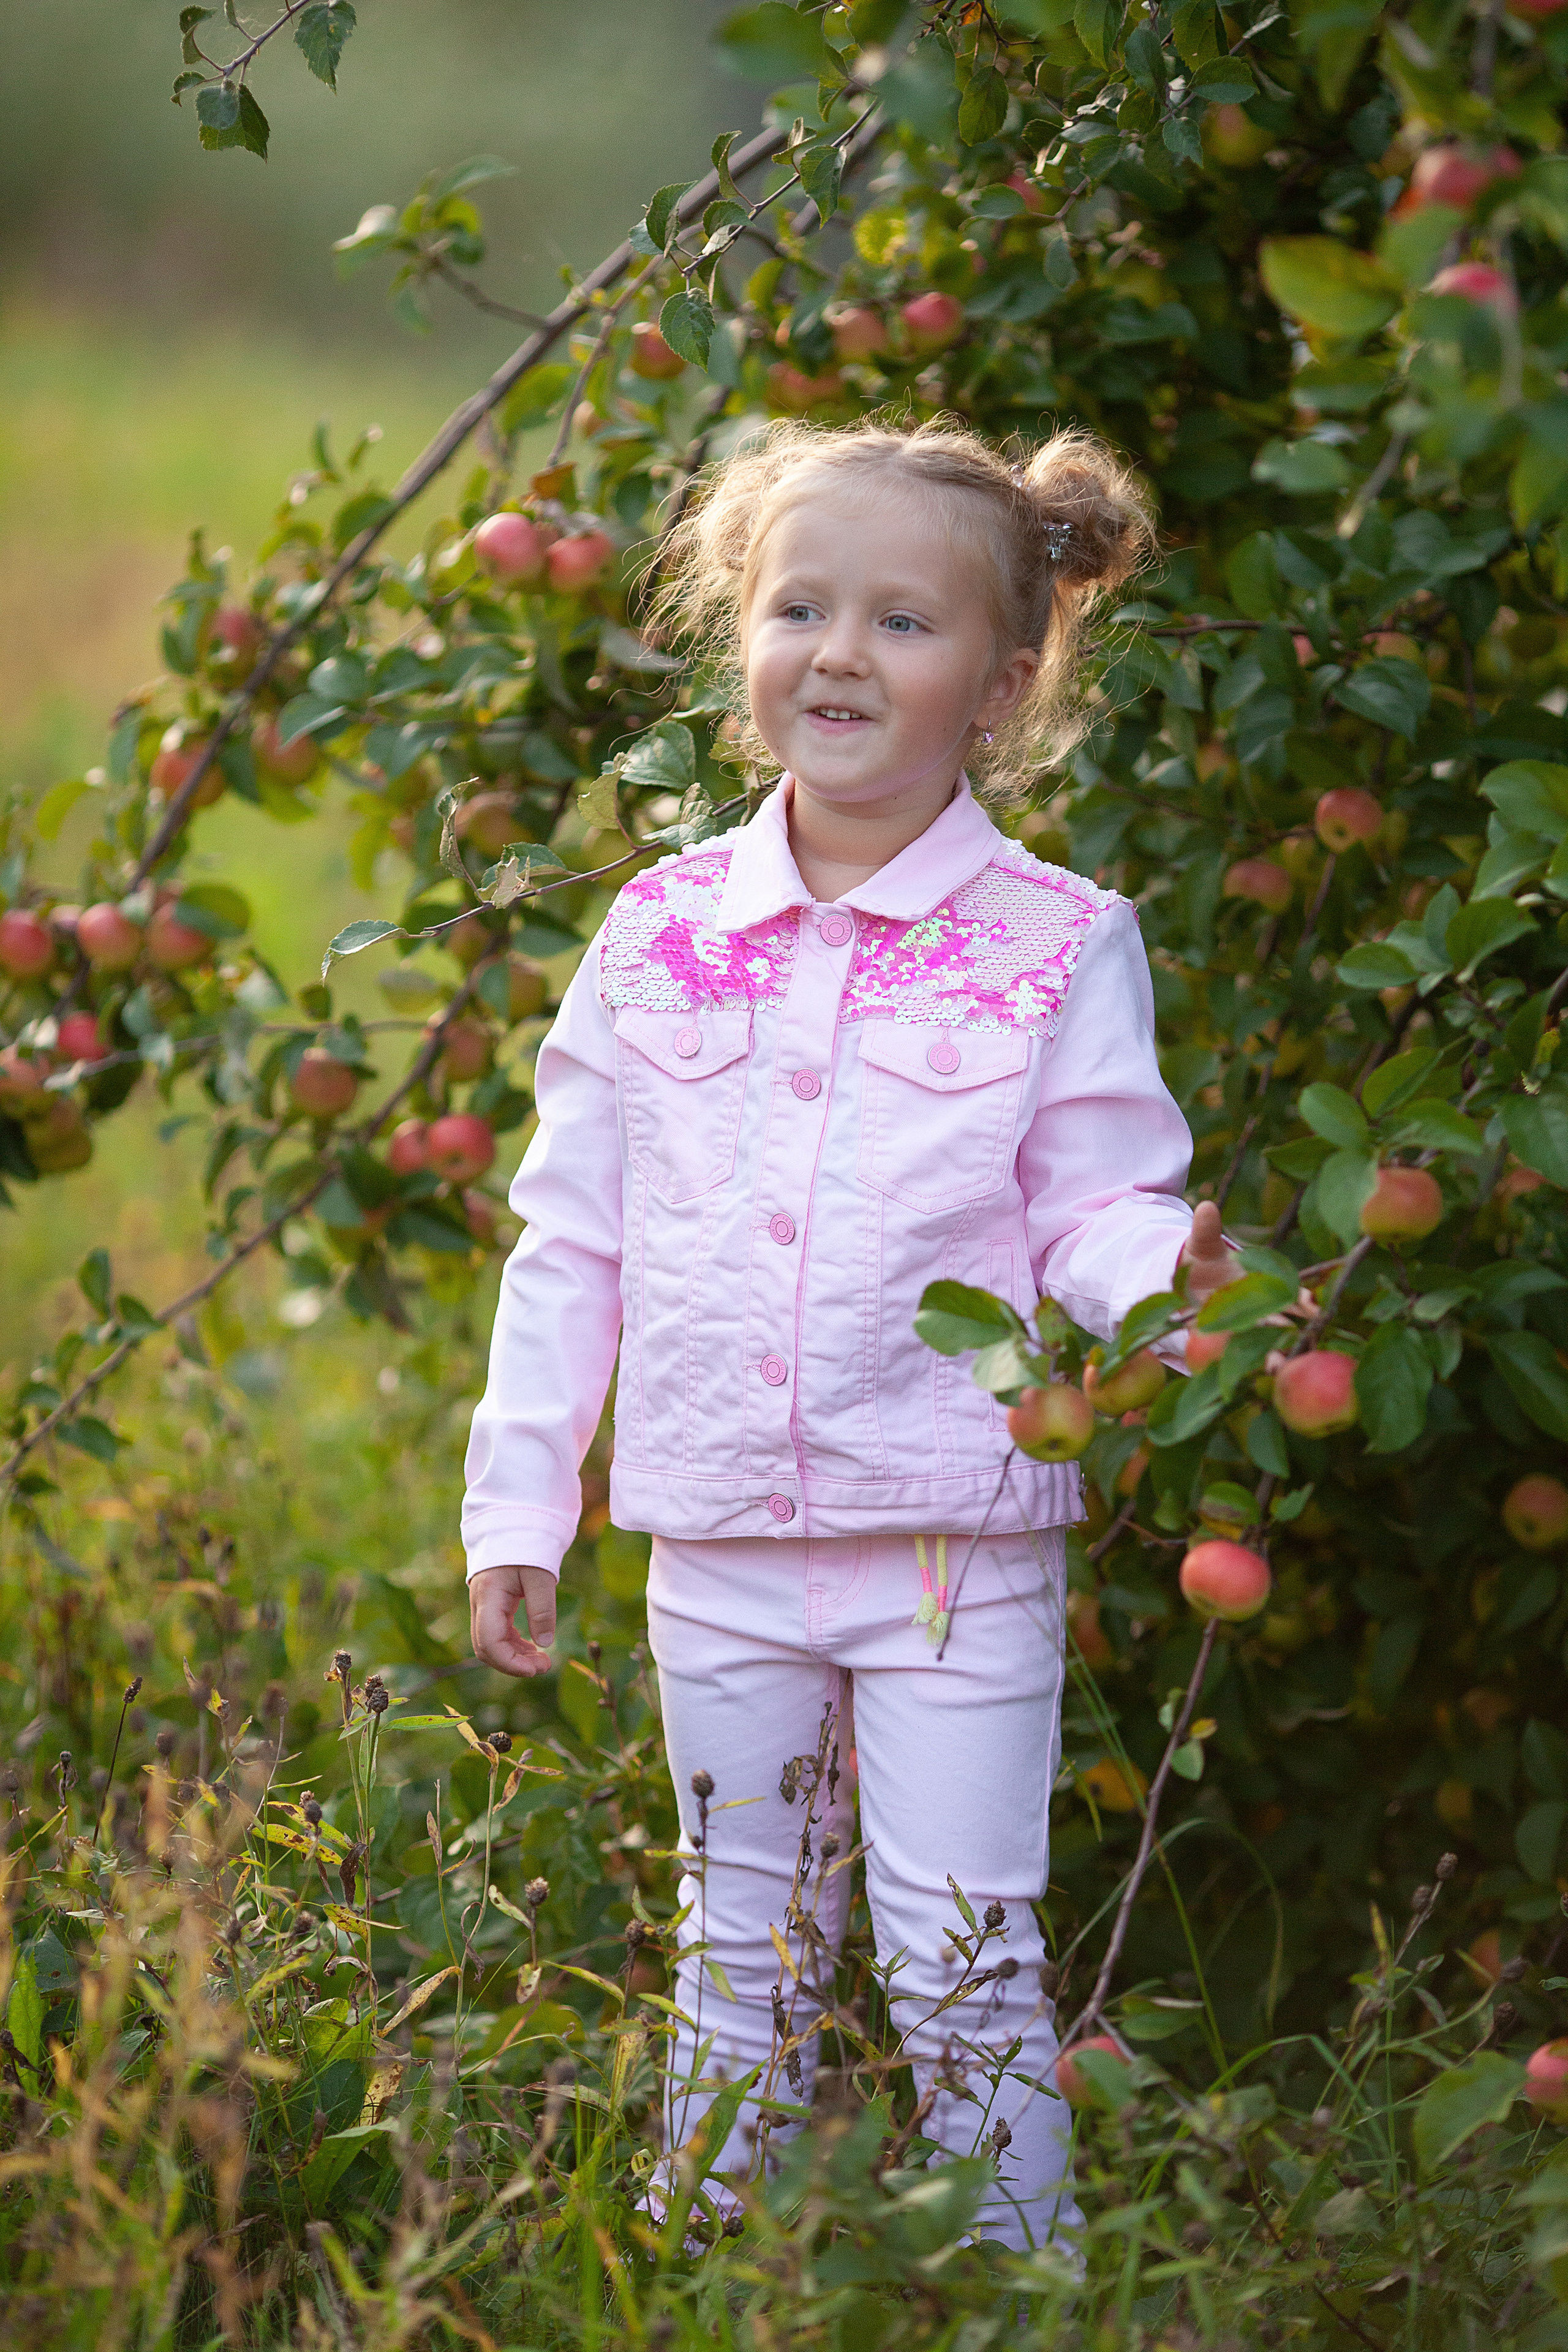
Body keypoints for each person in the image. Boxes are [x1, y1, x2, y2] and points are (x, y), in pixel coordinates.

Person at [463, 417, 1238, 2248]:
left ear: (1008, 674)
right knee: (738, 1944)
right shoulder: (659, 935)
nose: (840, 651)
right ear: (741, 638)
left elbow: (1098, 1198)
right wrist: (521, 1500)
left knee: (963, 1949)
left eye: (904, 621)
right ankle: (704, 2266)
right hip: (718, 1539)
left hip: (953, 1543)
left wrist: (1178, 1296)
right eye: (800, 606)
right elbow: (571, 1240)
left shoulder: (1056, 941)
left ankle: (1025, 2283)